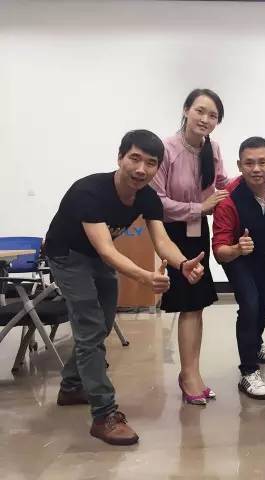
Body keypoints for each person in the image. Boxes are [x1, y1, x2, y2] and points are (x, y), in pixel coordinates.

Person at [44, 130, 206, 445]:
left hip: (96, 257)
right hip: (67, 256)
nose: (141, 169)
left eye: (151, 163)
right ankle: (104, 415)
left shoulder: (147, 197)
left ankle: (71, 386)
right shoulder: (89, 192)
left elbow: (162, 241)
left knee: (103, 324)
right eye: (135, 158)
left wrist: (182, 263)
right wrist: (145, 278)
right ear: (120, 157)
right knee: (91, 329)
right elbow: (107, 250)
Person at [150, 88, 229, 405]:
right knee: (187, 302)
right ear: (185, 110)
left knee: (196, 304)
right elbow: (157, 202)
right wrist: (199, 207)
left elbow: (222, 185)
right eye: (200, 111)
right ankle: (189, 375)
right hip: (172, 232)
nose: (205, 119)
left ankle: (191, 372)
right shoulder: (165, 149)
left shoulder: (213, 148)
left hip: (198, 231)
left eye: (213, 115)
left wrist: (263, 176)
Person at [212, 137, 265, 400]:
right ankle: (248, 371)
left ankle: (254, 345)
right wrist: (237, 249)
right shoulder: (228, 200)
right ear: (239, 166)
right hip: (237, 258)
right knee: (250, 304)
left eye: (262, 162)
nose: (256, 169)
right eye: (249, 163)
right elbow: (219, 251)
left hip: (262, 254)